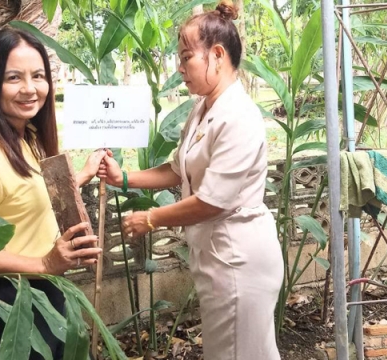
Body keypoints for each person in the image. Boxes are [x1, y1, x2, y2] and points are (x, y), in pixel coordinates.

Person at [97, 1, 283, 359]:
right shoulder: (204, 107)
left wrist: (149, 219)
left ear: (216, 55)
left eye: (185, 58)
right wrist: (124, 178)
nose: (179, 68)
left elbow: (213, 200)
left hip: (239, 261)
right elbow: (179, 169)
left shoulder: (238, 116)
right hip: (217, 258)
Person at [0, 28, 104, 360]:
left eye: (38, 76)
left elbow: (25, 196)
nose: (30, 88)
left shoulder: (24, 136)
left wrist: (83, 174)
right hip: (10, 310)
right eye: (14, 77)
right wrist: (44, 262)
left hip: (45, 297)